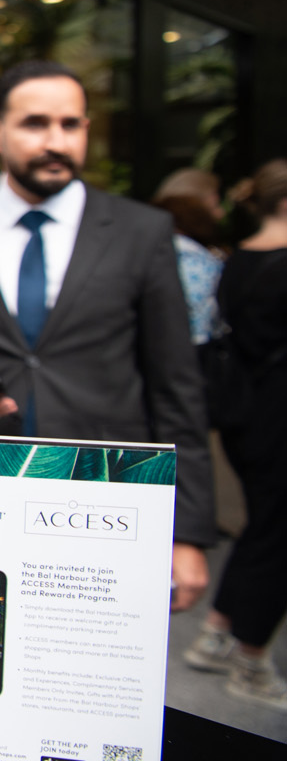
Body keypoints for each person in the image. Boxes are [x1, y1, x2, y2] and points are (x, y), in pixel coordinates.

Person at [0, 60, 216, 610]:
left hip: (106, 496)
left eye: (71, 125)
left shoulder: (142, 231)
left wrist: (185, 530)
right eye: (36, 124)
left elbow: (176, 385)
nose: (56, 141)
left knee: (91, 678)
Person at [183, 160, 287, 710]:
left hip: (247, 416)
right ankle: (251, 659)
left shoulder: (235, 260)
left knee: (262, 526)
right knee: (275, 535)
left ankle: (217, 629)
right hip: (276, 417)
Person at [152, 168, 226, 345]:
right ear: (192, 209)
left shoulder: (151, 245)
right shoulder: (189, 257)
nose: (220, 214)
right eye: (214, 205)